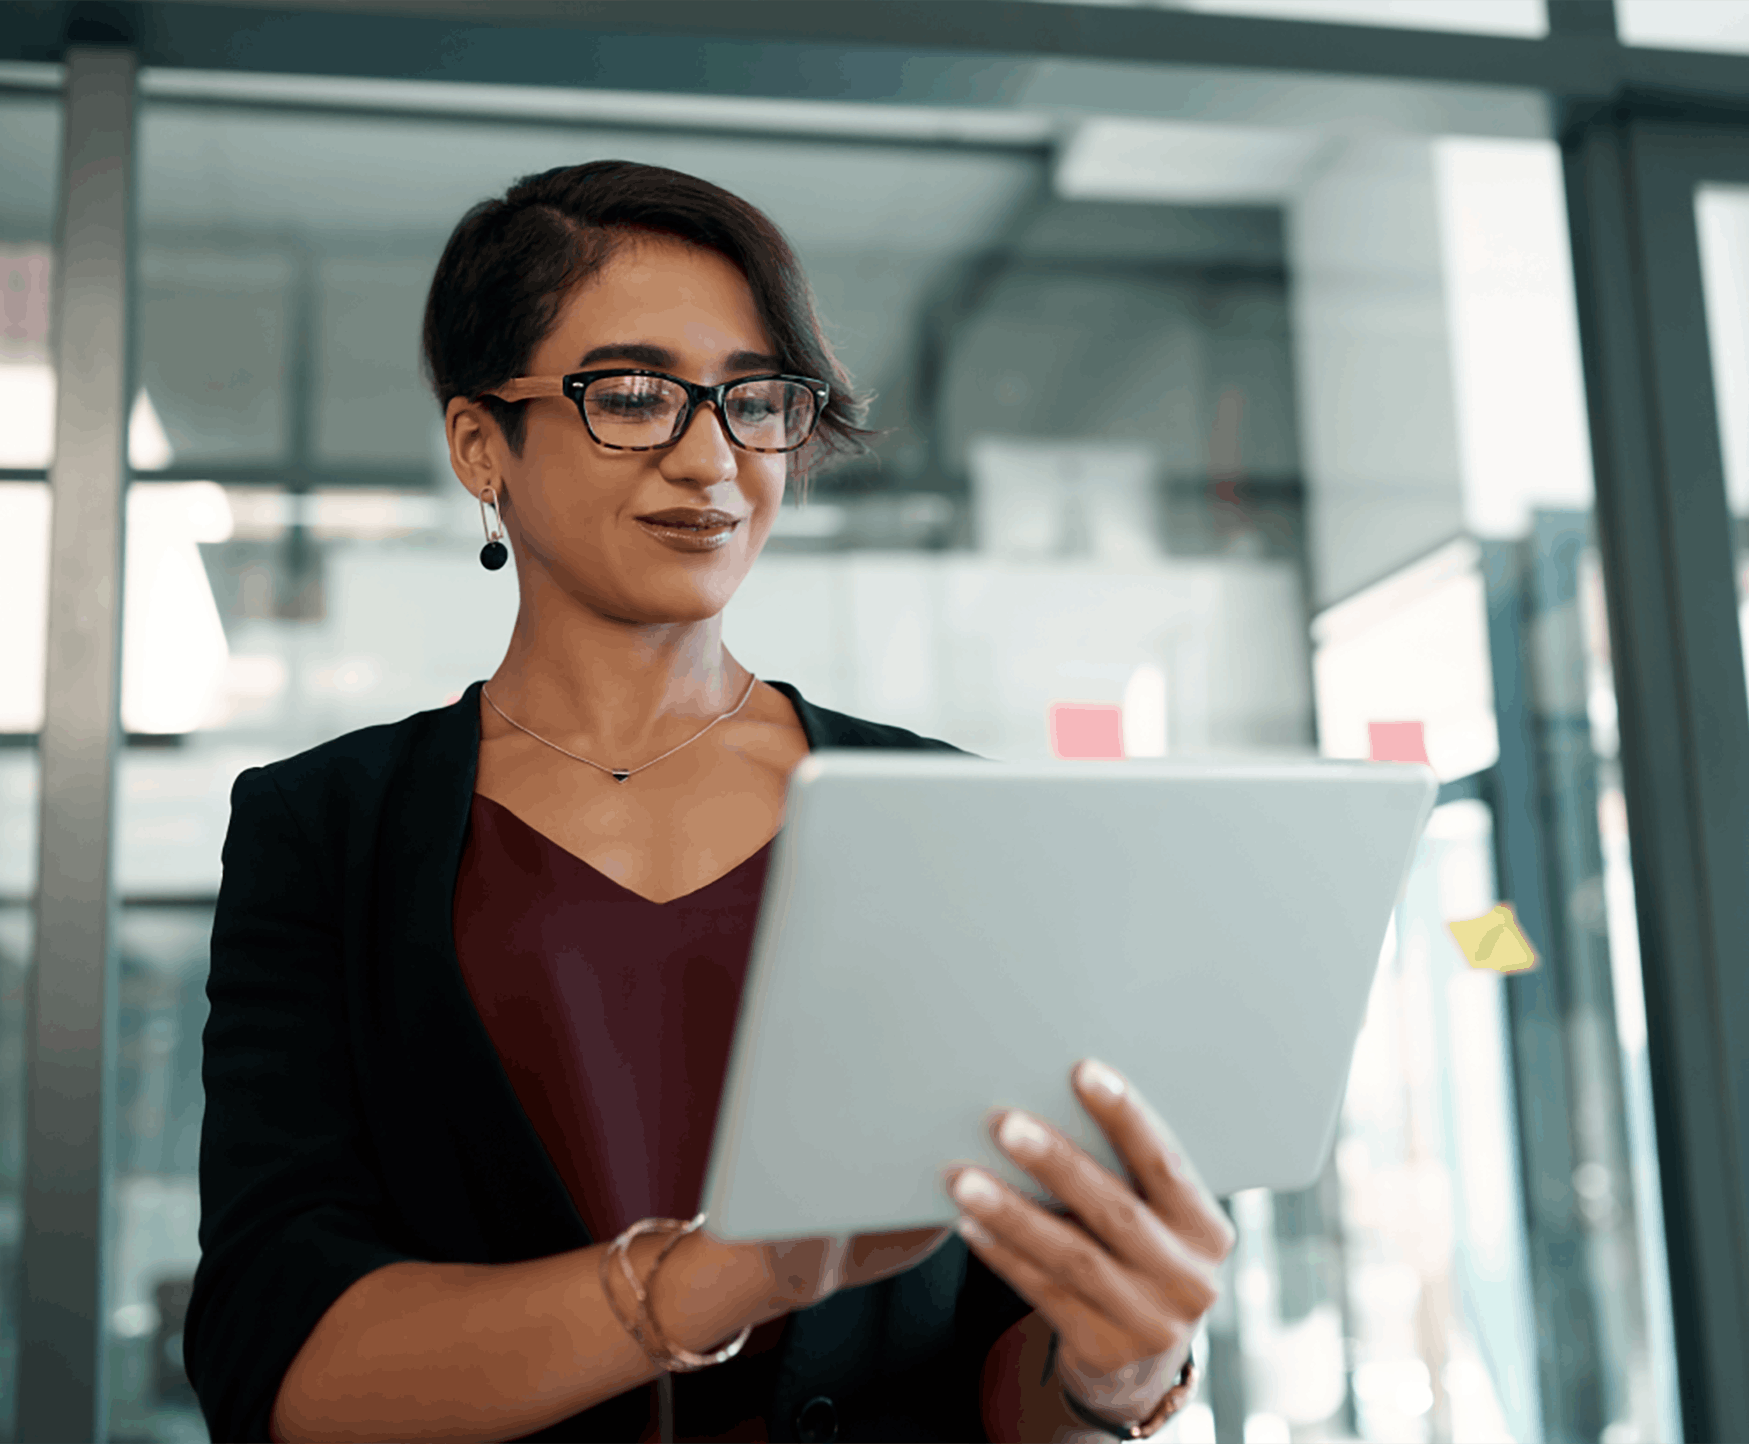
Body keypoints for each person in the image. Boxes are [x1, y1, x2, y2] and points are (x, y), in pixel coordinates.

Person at [185, 160, 1235, 1444]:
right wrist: (719, 1278)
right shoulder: (327, 830)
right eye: (631, 395)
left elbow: (997, 1375)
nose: (712, 458)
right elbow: (278, 1359)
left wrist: (1118, 1378)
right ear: (480, 443)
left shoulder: (947, 816)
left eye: (755, 400)